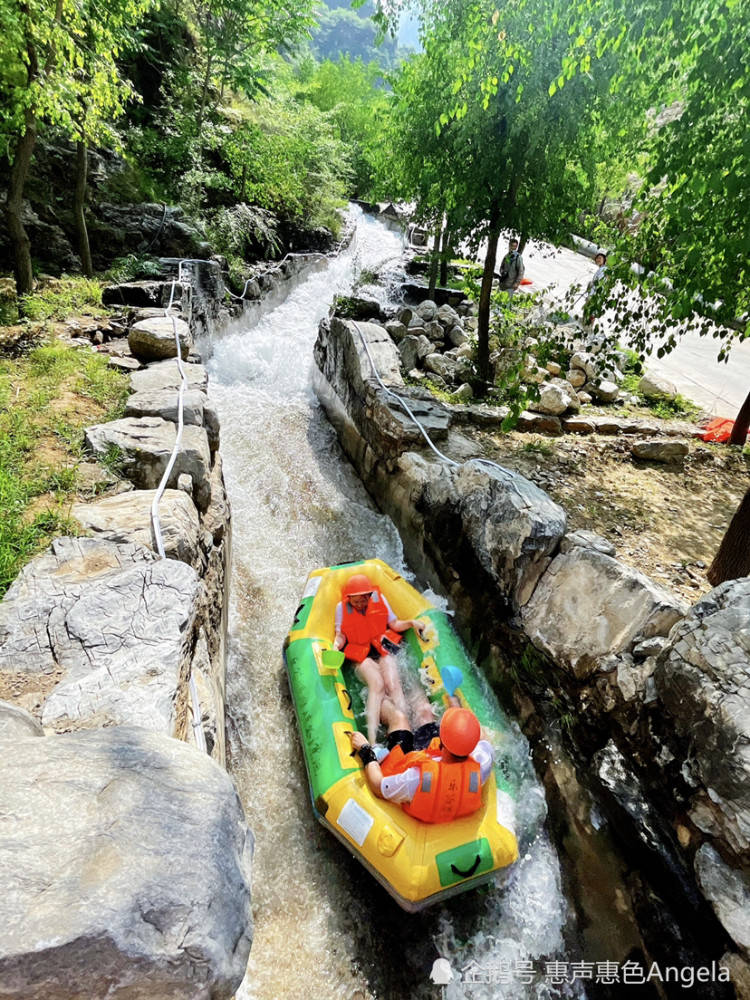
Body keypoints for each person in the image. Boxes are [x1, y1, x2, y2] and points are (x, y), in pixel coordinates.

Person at [347, 701, 494, 824]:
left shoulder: (416, 778)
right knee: (424, 713)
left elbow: (378, 785)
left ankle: (379, 699)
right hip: (431, 759)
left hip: (402, 768)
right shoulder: (483, 764)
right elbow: (483, 737)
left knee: (399, 718)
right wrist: (460, 717)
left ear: (442, 738)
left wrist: (365, 749)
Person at [334, 573, 427, 745]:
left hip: (380, 647)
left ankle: (406, 730)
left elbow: (395, 624)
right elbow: (341, 636)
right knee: (377, 684)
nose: (360, 604)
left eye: (364, 600)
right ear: (349, 598)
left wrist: (412, 623)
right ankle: (372, 739)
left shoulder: (379, 599)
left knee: (393, 684)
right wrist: (335, 646)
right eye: (356, 601)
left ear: (370, 596)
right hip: (361, 655)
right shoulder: (341, 608)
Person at [584, 250, 608, 326]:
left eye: (600, 258)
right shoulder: (602, 269)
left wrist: (590, 295)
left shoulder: (603, 270)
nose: (598, 260)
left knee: (590, 312)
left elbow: (598, 284)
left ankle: (588, 327)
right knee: (591, 312)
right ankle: (588, 327)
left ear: (604, 260)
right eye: (597, 258)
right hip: (596, 295)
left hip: (595, 295)